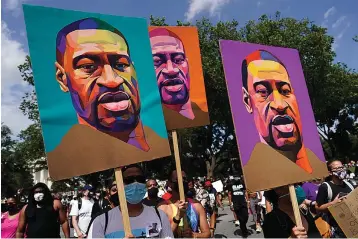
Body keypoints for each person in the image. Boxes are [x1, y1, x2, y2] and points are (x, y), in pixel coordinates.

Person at [240, 49, 328, 190]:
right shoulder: (258, 174)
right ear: (247, 100)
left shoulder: (318, 165)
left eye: (285, 91)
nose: (279, 104)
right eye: (263, 92)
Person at [87, 164, 173, 238]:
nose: (135, 183)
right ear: (119, 185)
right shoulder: (101, 222)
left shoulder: (159, 216)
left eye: (140, 179)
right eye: (129, 180)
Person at [149, 28, 210, 129]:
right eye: (157, 61)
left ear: (187, 64)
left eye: (178, 60)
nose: (171, 70)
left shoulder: (201, 116)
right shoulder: (149, 129)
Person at [158, 170, 211, 238]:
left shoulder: (196, 205)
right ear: (169, 183)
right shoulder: (163, 207)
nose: (182, 181)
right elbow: (163, 236)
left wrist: (194, 235)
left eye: (184, 179)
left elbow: (207, 233)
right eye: (178, 179)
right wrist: (177, 218)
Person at [315, 160, 357, 238]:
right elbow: (317, 207)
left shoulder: (350, 184)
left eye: (341, 167)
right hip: (336, 230)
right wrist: (334, 203)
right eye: (337, 168)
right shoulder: (325, 187)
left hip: (353, 226)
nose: (341, 169)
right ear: (330, 172)